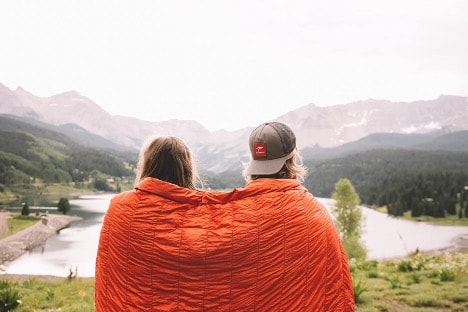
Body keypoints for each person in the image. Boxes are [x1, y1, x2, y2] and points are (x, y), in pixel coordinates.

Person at [95, 124, 354, 311]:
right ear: (292, 160)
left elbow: (115, 289)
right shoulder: (310, 212)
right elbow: (329, 289)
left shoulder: (122, 210)